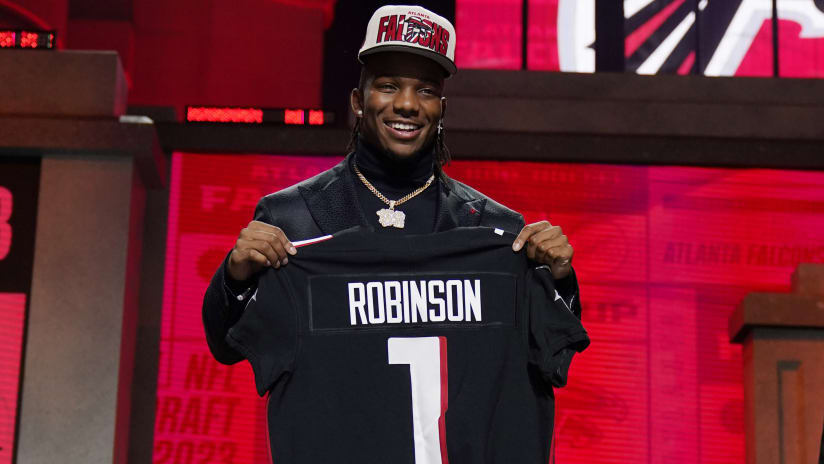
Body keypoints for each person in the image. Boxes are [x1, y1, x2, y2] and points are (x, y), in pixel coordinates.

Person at [202, 5, 585, 461]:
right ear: (358, 100)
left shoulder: (493, 228)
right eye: (388, 86)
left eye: (425, 90)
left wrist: (560, 280)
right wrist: (234, 276)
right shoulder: (293, 217)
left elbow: (552, 352)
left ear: (441, 108)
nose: (406, 104)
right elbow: (227, 346)